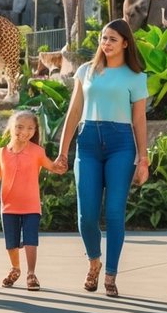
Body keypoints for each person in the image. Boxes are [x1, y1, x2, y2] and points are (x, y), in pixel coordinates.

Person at [56, 18, 148, 298]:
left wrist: (143, 159)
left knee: (114, 213)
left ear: (125, 43)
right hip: (88, 143)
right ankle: (94, 261)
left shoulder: (135, 77)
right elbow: (73, 112)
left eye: (112, 39)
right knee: (86, 215)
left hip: (121, 144)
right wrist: (63, 151)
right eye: (103, 38)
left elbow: (139, 120)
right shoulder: (86, 71)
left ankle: (110, 275)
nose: (105, 43)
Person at [0, 109, 64, 291]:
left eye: (30, 128)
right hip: (8, 207)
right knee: (11, 243)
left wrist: (61, 164)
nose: (25, 131)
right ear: (11, 128)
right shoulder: (1, 153)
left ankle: (31, 273)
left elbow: (52, 166)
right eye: (20, 127)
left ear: (35, 130)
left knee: (31, 240)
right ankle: (15, 269)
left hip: (31, 205)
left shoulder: (37, 151)